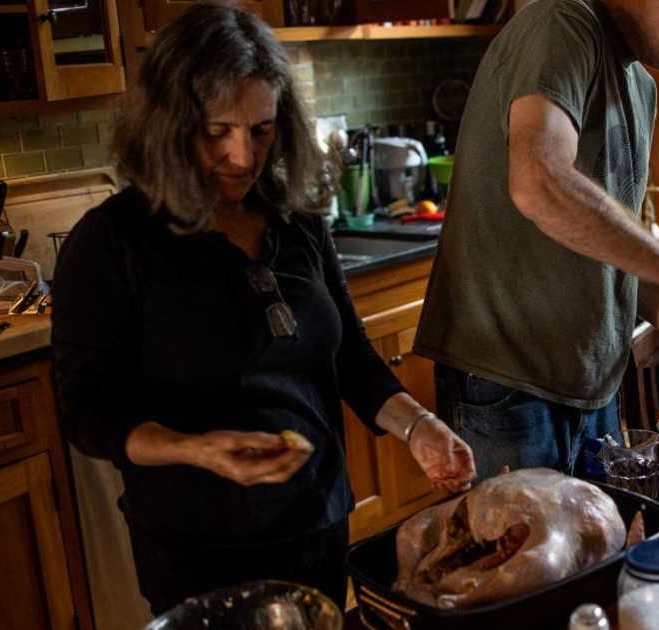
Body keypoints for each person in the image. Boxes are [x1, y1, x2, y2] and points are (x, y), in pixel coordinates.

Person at [51, 3, 475, 614]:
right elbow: (89, 412)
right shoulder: (112, 241)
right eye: (216, 131)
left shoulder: (295, 220)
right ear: (169, 124)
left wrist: (419, 426)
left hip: (318, 522)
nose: (243, 157)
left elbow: (351, 359)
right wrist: (196, 449)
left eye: (262, 129)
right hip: (197, 545)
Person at [414, 0, 659, 481]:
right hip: (508, 385)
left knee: (606, 534)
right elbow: (538, 180)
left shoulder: (641, 86)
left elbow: (613, 250)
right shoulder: (563, 24)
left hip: (593, 387)